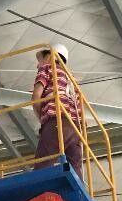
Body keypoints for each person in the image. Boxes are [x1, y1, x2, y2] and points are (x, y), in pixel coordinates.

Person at [31, 43, 83, 177]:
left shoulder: (47, 68)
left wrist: (42, 118)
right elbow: (80, 111)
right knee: (75, 172)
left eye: (41, 59)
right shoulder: (72, 80)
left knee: (42, 166)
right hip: (75, 130)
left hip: (56, 122)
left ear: (50, 56)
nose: (38, 65)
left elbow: (36, 97)